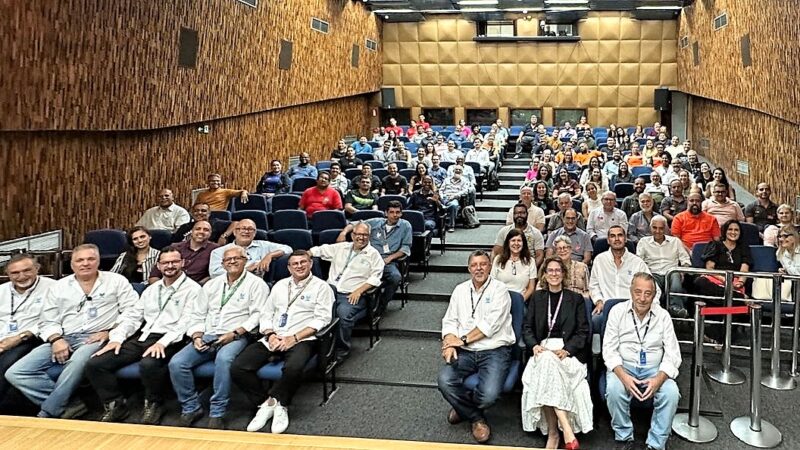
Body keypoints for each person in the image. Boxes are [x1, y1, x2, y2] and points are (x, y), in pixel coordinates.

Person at [6, 244, 138, 419]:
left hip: (97, 337)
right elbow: (47, 319)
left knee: (76, 362)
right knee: (16, 372)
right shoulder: (59, 287)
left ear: (98, 261)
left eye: (90, 259)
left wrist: (112, 331)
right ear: (72, 264)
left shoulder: (116, 281)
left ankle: (48, 412)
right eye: (80, 260)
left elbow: (134, 312)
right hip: (64, 336)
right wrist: (56, 339)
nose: (85, 263)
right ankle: (72, 404)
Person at [85, 247, 205, 424]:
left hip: (173, 338)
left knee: (149, 363)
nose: (170, 266)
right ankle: (115, 405)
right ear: (159, 265)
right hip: (144, 335)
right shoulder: (152, 289)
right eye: (165, 262)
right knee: (96, 363)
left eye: (174, 262)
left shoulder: (193, 289)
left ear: (182, 263)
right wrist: (117, 338)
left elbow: (186, 322)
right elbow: (134, 316)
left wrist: (162, 343)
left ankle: (155, 403)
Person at [231, 250, 334, 434]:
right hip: (274, 336)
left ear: (310, 264)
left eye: (303, 262)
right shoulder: (279, 285)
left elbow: (322, 320)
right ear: (288, 267)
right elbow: (266, 313)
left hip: (302, 338)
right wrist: (270, 334)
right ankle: (266, 404)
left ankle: (281, 405)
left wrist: (293, 338)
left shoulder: (321, 287)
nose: (299, 266)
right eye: (295, 264)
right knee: (238, 367)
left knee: (293, 368)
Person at [168, 245, 267, 429]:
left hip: (237, 335)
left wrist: (235, 333)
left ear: (245, 261)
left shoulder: (256, 285)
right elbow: (197, 314)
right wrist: (196, 335)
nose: (232, 262)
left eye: (237, 258)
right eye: (228, 259)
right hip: (208, 334)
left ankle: (217, 411)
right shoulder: (212, 285)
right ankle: (190, 407)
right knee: (177, 363)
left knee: (224, 359)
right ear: (222, 264)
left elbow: (258, 316)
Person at [438, 250, 515, 444]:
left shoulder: (500, 289)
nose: (478, 268)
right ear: (468, 268)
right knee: (444, 380)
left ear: (490, 267)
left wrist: (461, 340)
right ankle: (476, 418)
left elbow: (491, 325)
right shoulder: (460, 290)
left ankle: (464, 407)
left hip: (494, 350)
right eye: (474, 265)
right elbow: (450, 320)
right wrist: (448, 342)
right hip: (466, 352)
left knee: (489, 395)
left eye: (483, 264)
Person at [603, 272, 681, 450]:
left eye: (648, 293)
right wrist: (624, 377)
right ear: (630, 291)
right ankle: (624, 437)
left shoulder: (663, 316)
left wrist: (659, 379)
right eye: (638, 292)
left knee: (671, 393)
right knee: (614, 389)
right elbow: (609, 349)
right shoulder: (617, 312)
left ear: (654, 295)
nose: (643, 298)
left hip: (655, 370)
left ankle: (656, 443)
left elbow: (673, 354)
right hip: (624, 366)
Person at [521, 257, 592, 449]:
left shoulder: (576, 299)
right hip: (542, 348)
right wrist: (534, 345)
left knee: (546, 363)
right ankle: (565, 429)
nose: (553, 274)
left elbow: (583, 331)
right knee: (545, 360)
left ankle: (554, 435)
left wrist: (568, 350)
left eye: (557, 271)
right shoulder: (537, 297)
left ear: (563, 274)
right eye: (550, 270)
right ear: (544, 274)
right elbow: (526, 327)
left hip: (567, 352)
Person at [310, 222, 384, 363]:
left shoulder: (373, 255)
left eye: (365, 235)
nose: (361, 238)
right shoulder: (341, 247)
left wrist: (359, 290)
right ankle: (315, 349)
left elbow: (376, 278)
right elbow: (319, 250)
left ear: (369, 236)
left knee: (343, 315)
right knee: (309, 309)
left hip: (352, 295)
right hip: (329, 291)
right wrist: (307, 254)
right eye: (358, 234)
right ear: (352, 235)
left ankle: (341, 350)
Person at [0, 254, 57, 412]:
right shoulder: (1, 291)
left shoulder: (53, 287)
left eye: (27, 270)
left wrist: (19, 337)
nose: (21, 276)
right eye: (15, 273)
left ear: (37, 269)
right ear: (8, 274)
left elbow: (52, 320)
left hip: (32, 338)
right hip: (3, 338)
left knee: (6, 362)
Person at [588, 226, 654, 332]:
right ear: (608, 240)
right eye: (613, 236)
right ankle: (600, 349)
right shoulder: (599, 260)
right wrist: (599, 301)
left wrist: (647, 307)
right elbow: (593, 285)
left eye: (620, 235)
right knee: (596, 320)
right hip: (607, 307)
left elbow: (652, 287)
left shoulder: (637, 262)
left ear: (626, 238)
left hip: (632, 308)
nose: (617, 239)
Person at [356, 202, 412, 311]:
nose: (395, 215)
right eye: (391, 212)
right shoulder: (375, 222)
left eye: (397, 212)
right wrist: (343, 233)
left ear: (401, 214)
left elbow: (405, 248)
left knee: (395, 277)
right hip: (368, 257)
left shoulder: (405, 225)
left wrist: (389, 259)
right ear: (386, 213)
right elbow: (354, 224)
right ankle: (360, 305)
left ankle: (381, 304)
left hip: (388, 260)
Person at [636, 216, 691, 317]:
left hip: (671, 272)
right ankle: (653, 310)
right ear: (650, 228)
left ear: (666, 228)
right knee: (650, 283)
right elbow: (639, 261)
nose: (658, 231)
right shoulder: (643, 242)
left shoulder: (675, 241)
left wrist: (682, 271)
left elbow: (685, 259)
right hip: (652, 272)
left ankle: (676, 308)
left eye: (661, 228)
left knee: (675, 278)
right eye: (655, 228)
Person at [208, 219, 291, 278]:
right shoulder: (219, 251)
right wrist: (246, 270)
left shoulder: (263, 245)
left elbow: (288, 249)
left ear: (254, 233)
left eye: (250, 229)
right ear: (235, 232)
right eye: (243, 228)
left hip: (256, 287)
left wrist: (270, 255)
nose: (246, 231)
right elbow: (214, 274)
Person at [693, 220, 751, 301]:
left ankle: (730, 298)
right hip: (717, 279)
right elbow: (710, 268)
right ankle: (739, 297)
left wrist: (740, 282)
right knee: (700, 282)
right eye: (730, 229)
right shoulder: (716, 245)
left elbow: (744, 269)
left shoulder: (743, 248)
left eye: (736, 230)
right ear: (725, 231)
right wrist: (724, 280)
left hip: (735, 280)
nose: (733, 232)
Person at [148, 221, 218, 285]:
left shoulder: (215, 250)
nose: (201, 232)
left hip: (195, 288)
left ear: (210, 233)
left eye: (206, 230)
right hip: (168, 285)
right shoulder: (175, 247)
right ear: (192, 231)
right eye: (198, 229)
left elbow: (215, 275)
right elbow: (155, 275)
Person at [493, 203, 545, 267]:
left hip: (528, 265)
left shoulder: (536, 233)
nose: (519, 215)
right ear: (513, 215)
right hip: (507, 266)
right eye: (517, 213)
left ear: (527, 215)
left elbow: (540, 255)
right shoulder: (504, 231)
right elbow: (496, 252)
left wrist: (532, 269)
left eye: (523, 213)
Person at [491, 229, 537, 301]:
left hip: (521, 300)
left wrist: (520, 301)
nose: (516, 243)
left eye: (519, 240)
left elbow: (531, 288)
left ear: (523, 243)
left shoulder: (530, 261)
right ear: (508, 243)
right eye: (513, 240)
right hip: (500, 299)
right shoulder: (498, 259)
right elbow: (492, 283)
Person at [440, 166, 471, 233]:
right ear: (453, 171)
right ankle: (439, 225)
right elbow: (441, 190)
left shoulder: (464, 180)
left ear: (462, 172)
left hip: (454, 198)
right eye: (456, 169)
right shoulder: (447, 180)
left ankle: (451, 226)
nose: (458, 171)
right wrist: (442, 197)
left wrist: (454, 196)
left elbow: (465, 191)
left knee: (453, 206)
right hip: (444, 197)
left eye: (460, 170)